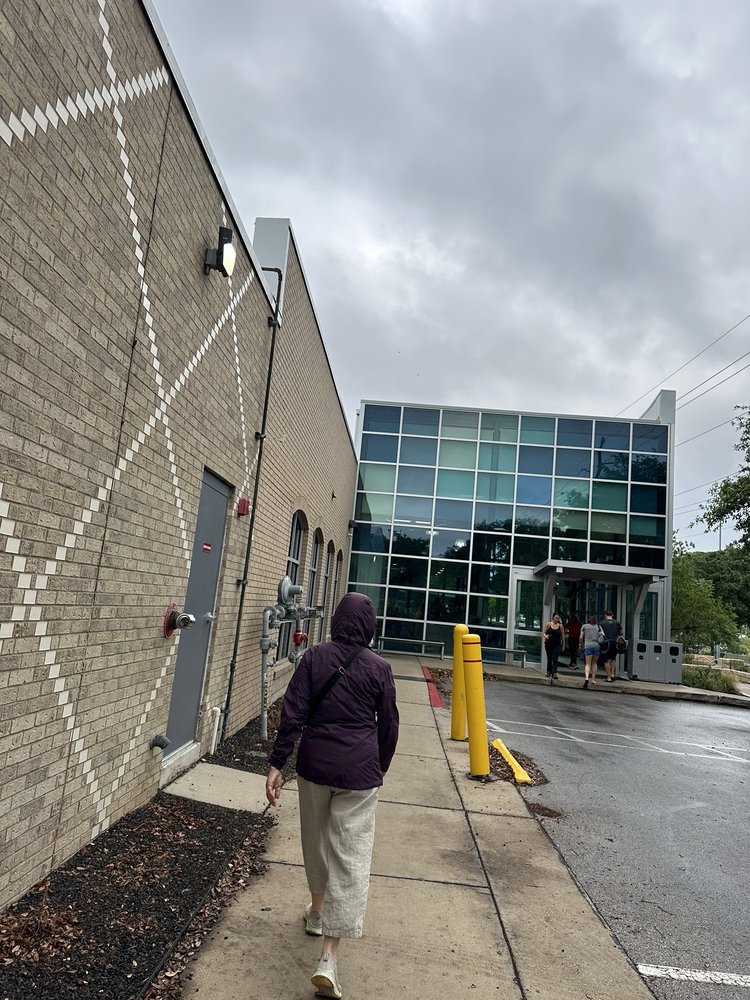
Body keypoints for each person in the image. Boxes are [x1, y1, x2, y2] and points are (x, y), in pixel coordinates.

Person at [266, 592, 399, 1000]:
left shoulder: (314, 658)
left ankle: (317, 911)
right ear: (369, 624)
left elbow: (294, 713)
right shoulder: (380, 667)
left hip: (314, 766)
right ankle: (328, 956)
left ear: (337, 620)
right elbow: (389, 725)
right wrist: (379, 766)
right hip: (358, 772)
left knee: (316, 840)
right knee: (351, 855)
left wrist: (277, 763)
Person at [599, 609, 623, 682]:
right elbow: (621, 633)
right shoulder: (617, 623)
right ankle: (612, 674)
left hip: (606, 643)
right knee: (613, 659)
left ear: (605, 615)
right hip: (615, 643)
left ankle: (608, 677)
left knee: (607, 661)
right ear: (612, 615)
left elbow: (599, 634)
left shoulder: (602, 623)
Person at [579, 614, 602, 689]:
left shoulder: (584, 626)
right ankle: (593, 679)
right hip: (596, 646)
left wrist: (581, 645)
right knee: (594, 663)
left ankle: (586, 678)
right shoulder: (598, 627)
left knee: (588, 664)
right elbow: (601, 637)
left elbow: (581, 637)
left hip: (588, 645)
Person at [542, 612, 565, 684]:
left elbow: (563, 636)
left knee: (555, 658)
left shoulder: (560, 626)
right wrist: (545, 636)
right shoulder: (548, 624)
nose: (557, 619)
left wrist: (563, 645)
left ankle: (554, 672)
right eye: (556, 618)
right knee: (549, 658)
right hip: (549, 644)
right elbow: (543, 632)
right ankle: (549, 671)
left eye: (558, 618)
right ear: (553, 618)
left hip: (557, 644)